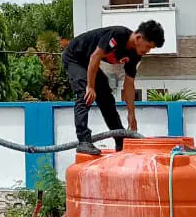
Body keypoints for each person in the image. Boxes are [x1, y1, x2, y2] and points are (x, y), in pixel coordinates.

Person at [62, 21, 165, 155]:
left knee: (106, 98)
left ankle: (120, 140)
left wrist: (131, 113)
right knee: (85, 94)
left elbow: (129, 84)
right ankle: (83, 140)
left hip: (90, 62)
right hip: (75, 57)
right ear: (139, 38)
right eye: (148, 46)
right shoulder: (117, 35)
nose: (148, 51)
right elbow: (95, 56)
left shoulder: (135, 55)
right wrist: (90, 86)